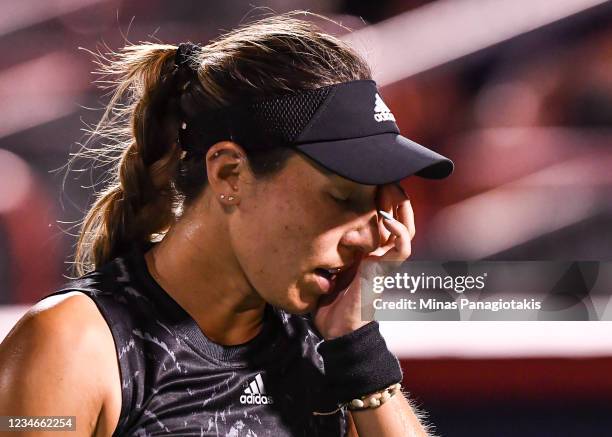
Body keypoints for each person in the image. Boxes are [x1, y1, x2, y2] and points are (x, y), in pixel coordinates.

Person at [0, 12, 452, 437]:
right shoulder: (69, 347)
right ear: (229, 174)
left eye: (376, 204)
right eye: (339, 197)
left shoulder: (330, 349)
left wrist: (357, 346)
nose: (368, 236)